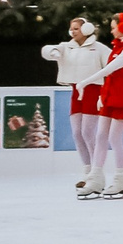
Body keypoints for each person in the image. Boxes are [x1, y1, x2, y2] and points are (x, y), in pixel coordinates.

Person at [42, 16, 109, 199]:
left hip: (93, 91)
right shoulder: (67, 46)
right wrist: (54, 52)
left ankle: (97, 173)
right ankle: (87, 171)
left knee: (88, 132)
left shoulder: (99, 48)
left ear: (87, 28)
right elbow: (48, 49)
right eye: (71, 28)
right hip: (76, 91)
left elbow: (111, 65)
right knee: (77, 133)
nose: (73, 31)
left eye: (76, 28)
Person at [82, 12, 123, 199]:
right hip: (110, 93)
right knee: (101, 135)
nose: (111, 30)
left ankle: (119, 179)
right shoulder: (117, 47)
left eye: (113, 26)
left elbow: (110, 69)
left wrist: (86, 81)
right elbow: (109, 75)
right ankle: (96, 177)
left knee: (114, 138)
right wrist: (102, 95)